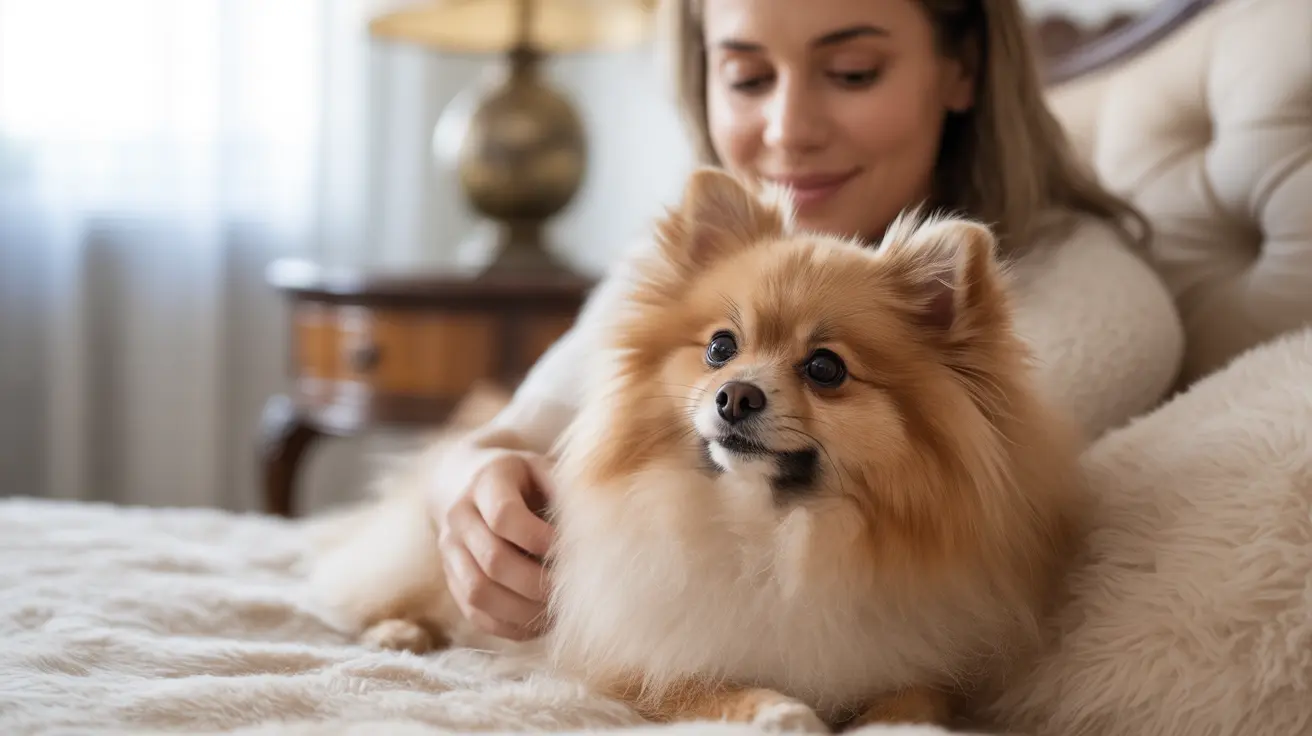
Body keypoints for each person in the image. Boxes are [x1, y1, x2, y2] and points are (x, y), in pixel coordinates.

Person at [428, 0, 1184, 641]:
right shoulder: (710, 262)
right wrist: (473, 487)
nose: (789, 129)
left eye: (852, 72)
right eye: (747, 76)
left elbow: (962, 514)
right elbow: (538, 423)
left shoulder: (1097, 293)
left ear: (964, 67)